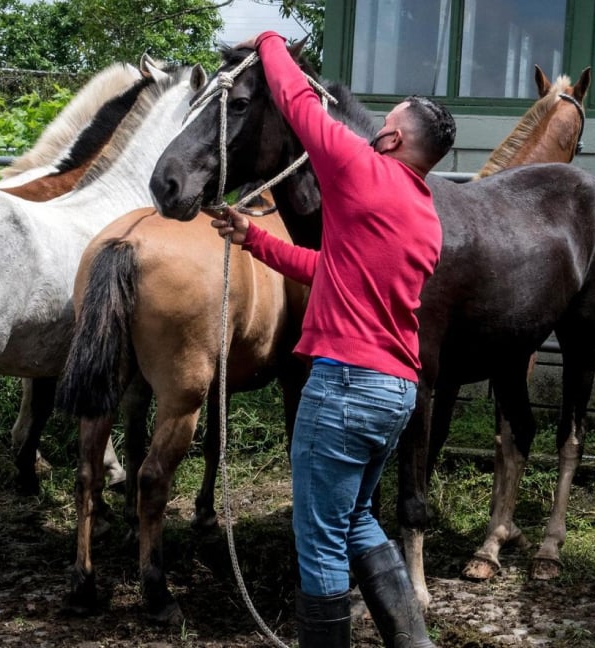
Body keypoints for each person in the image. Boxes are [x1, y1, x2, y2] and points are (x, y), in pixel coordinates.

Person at [211, 30, 455, 648]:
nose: (376, 127)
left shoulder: (362, 170)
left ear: (394, 139)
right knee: (356, 524)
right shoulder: (424, 216)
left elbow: (296, 102)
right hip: (396, 392)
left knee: (318, 540)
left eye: (386, 121)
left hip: (345, 387)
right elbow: (333, 272)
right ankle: (413, 642)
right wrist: (255, 238)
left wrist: (269, 41)